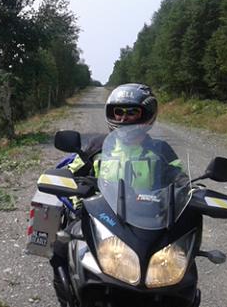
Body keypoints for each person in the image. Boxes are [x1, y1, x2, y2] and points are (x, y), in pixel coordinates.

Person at [49, 83, 185, 306]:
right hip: (102, 218)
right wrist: (77, 200)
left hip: (148, 222)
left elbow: (180, 179)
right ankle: (69, 299)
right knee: (61, 246)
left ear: (147, 114)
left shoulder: (160, 151)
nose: (123, 118)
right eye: (118, 112)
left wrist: (190, 194)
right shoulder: (96, 147)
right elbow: (69, 175)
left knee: (180, 261)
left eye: (132, 112)